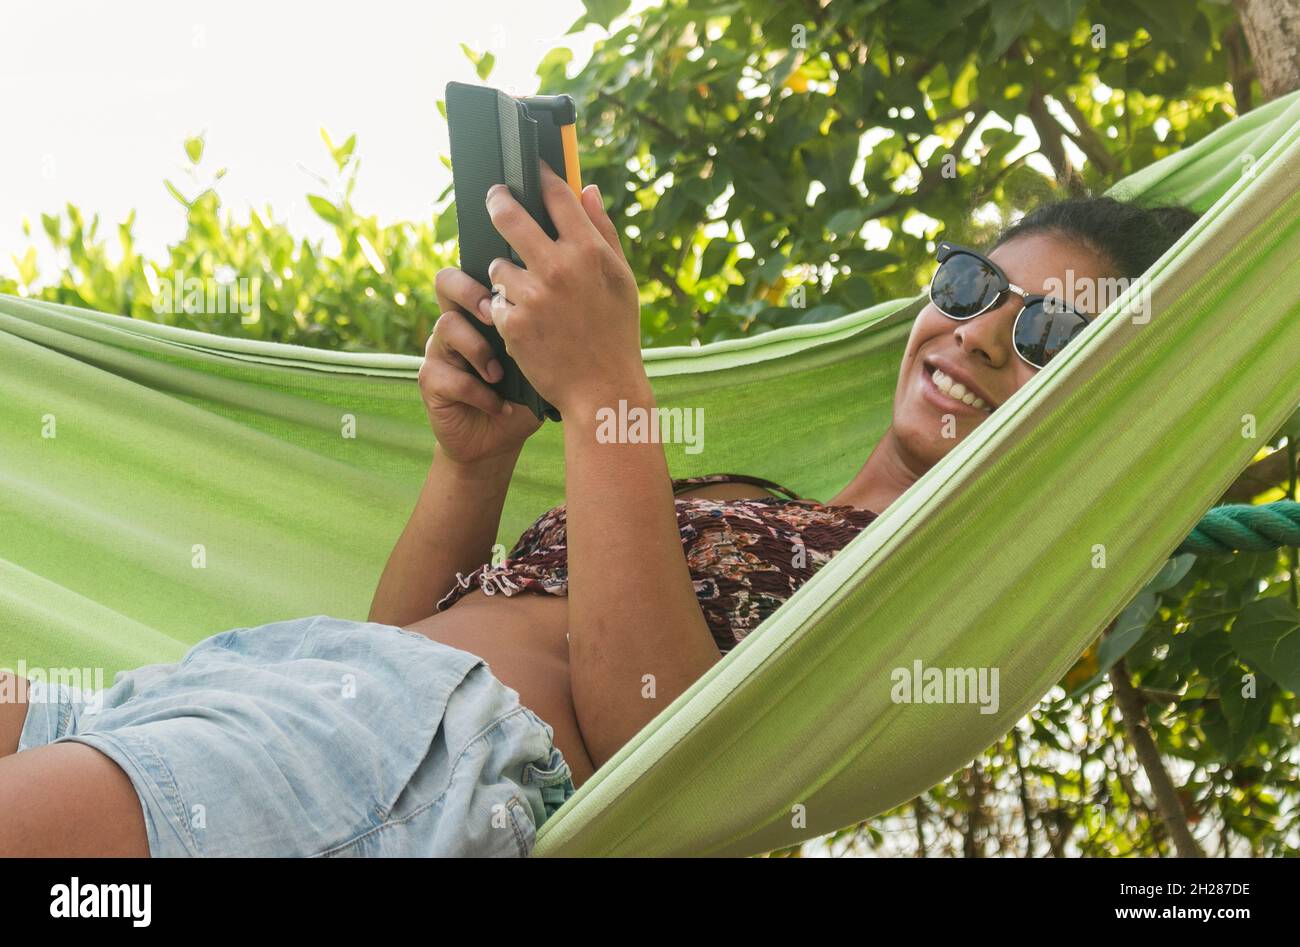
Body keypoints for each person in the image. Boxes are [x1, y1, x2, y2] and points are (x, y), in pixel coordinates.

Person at [0, 163, 1198, 857]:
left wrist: (604, 390)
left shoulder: (921, 591)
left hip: (395, 767)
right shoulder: (767, 507)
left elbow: (650, 736)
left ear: (1084, 417)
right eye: (975, 284)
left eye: (1045, 334)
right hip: (297, 690)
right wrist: (473, 464)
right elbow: (411, 639)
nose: (981, 334)